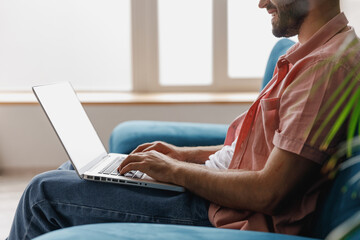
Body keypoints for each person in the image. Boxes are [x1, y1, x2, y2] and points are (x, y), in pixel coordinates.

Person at [8, 0, 360, 239]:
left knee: (44, 194)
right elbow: (252, 150)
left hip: (226, 213)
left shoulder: (324, 70)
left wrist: (175, 172)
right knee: (72, 169)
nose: (261, 2)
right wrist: (180, 154)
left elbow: (269, 191)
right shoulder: (309, 56)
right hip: (219, 192)